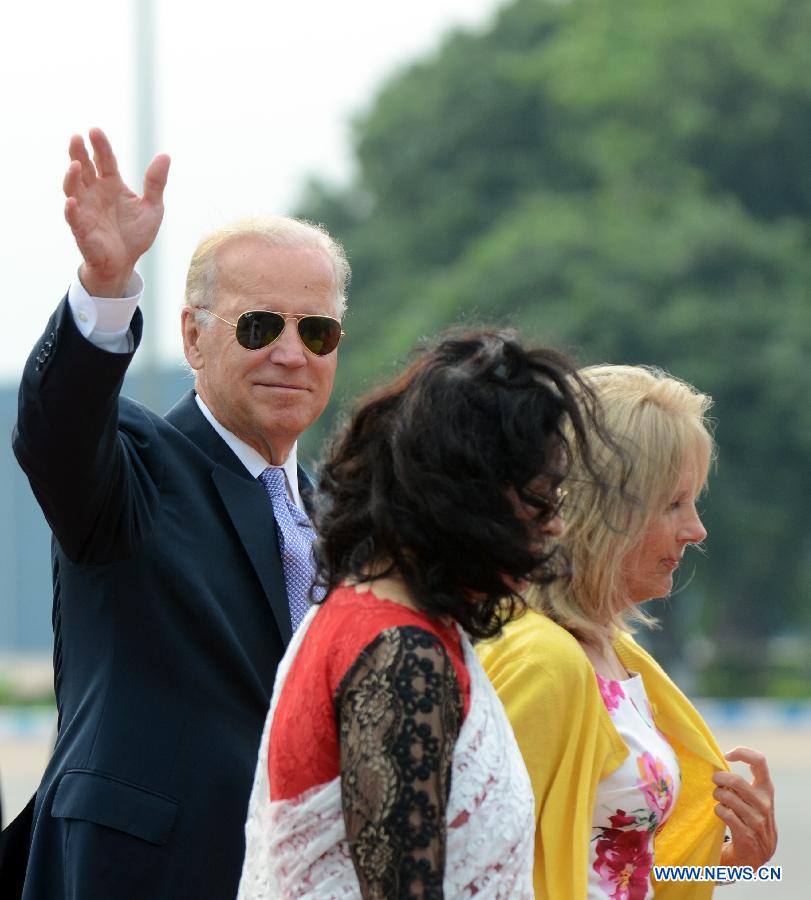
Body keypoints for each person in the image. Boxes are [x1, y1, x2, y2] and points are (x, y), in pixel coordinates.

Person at [11, 128, 349, 899]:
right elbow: (56, 430)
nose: (291, 354)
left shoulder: (344, 515)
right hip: (146, 875)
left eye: (317, 330)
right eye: (260, 326)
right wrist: (104, 285)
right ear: (194, 336)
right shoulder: (136, 464)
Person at [237, 329, 606, 899]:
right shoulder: (397, 653)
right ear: (467, 497)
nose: (553, 523)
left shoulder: (383, 621)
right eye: (540, 495)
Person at [478, 364, 778, 899]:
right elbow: (476, 870)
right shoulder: (541, 661)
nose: (697, 529)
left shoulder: (613, 654)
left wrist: (737, 861)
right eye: (673, 503)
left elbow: (620, 872)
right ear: (605, 512)